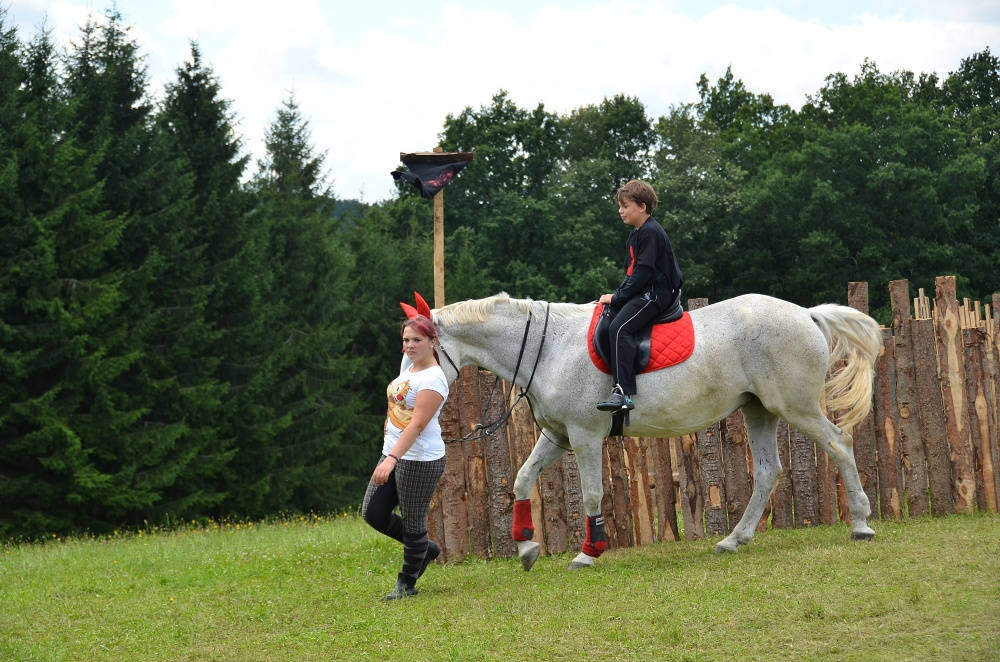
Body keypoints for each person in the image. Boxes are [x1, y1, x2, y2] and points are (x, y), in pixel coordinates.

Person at [361, 314, 449, 601]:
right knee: (373, 513)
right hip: (394, 452)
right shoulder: (410, 370)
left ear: (433, 341)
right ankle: (426, 548)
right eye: (406, 340)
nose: (410, 345)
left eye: (417, 340)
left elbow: (417, 424)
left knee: (413, 522)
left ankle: (406, 583)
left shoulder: (433, 379)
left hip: (419, 459)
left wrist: (392, 459)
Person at [596, 180, 683, 412]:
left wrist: (617, 298)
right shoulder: (636, 234)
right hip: (644, 290)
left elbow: (643, 274)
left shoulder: (651, 232)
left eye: (625, 206)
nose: (620, 211)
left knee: (620, 328)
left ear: (642, 207)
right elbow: (631, 274)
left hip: (656, 294)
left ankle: (623, 393)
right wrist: (616, 295)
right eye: (620, 206)